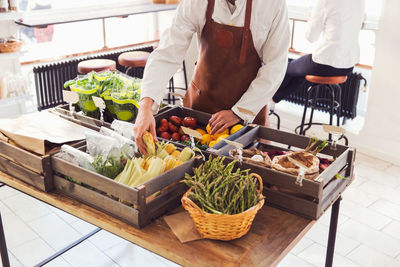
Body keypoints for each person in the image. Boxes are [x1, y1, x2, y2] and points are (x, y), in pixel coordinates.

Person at [133, 0, 290, 154]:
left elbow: (275, 66)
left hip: (249, 111)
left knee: (251, 175)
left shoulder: (272, 4)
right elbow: (167, 53)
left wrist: (239, 112)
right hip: (200, 106)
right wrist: (145, 107)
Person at [272, 0, 366, 103]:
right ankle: (272, 101)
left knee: (285, 68)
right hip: (348, 66)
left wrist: (311, 18)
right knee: (299, 72)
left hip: (325, 63)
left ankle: (269, 102)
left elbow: (311, 37)